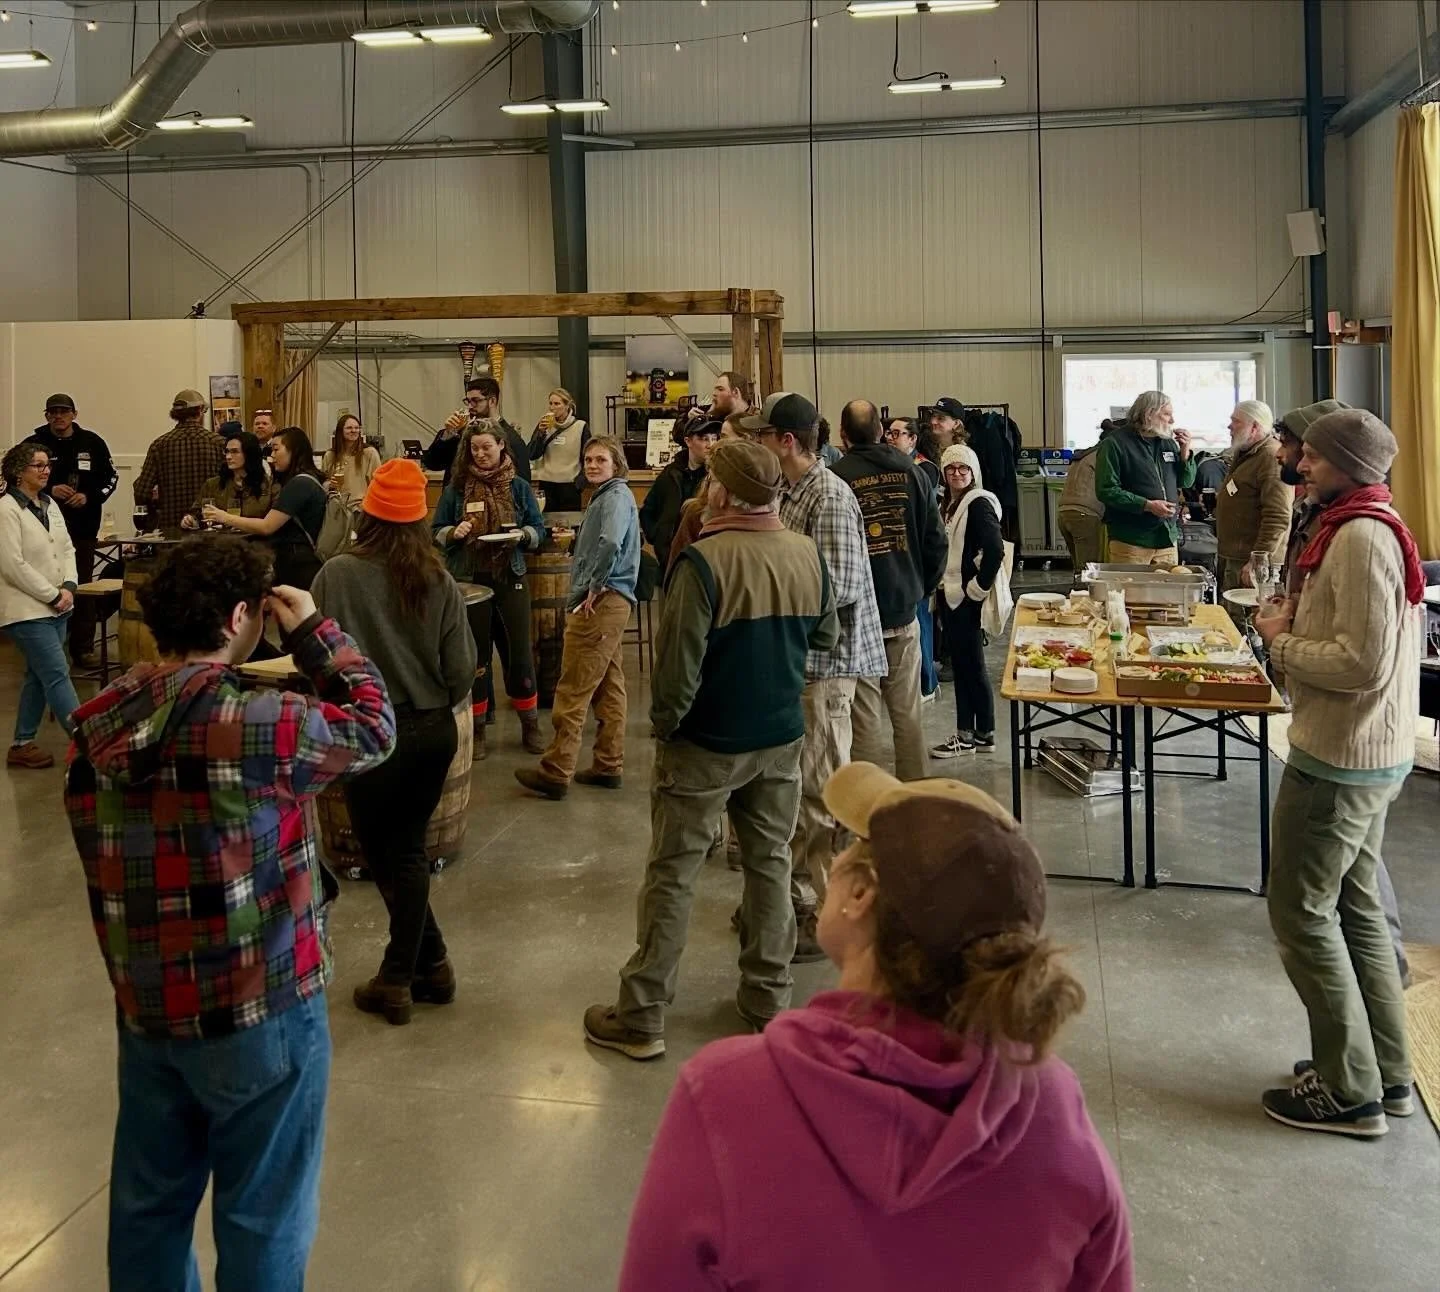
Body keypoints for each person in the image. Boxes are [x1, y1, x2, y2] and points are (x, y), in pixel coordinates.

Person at [618, 762, 1131, 1292]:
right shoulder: (1053, 1111)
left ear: (861, 895)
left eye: (852, 843)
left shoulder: (723, 1096)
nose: (836, 856)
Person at [64, 534, 394, 1292]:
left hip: (148, 1010)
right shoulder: (260, 723)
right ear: (242, 617)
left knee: (148, 1211)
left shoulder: (99, 726)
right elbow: (375, 726)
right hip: (260, 1006)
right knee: (263, 1217)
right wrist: (315, 633)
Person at [583, 440, 839, 1059]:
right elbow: (827, 636)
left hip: (706, 744)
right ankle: (768, 1001)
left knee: (673, 873)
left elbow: (676, 675)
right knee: (770, 865)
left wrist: (667, 729)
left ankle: (642, 1015)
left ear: (722, 492)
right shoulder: (807, 553)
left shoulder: (702, 563)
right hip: (780, 739)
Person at [1253, 409, 1423, 1138]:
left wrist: (1281, 642)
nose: (1303, 465)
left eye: (1315, 457)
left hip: (1341, 756)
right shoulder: (1359, 527)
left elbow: (1360, 663)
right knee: (1355, 911)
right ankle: (1386, 1072)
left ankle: (1348, 1090)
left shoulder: (1358, 537)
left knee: (1300, 913)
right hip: (1367, 751)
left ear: (1349, 464)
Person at [313, 460, 475, 1025]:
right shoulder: (440, 580)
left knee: (393, 855)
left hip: (367, 732)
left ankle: (397, 978)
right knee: (398, 853)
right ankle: (433, 965)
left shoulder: (335, 575)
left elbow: (314, 657)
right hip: (431, 732)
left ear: (370, 515)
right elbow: (462, 671)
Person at [753, 392, 887, 963]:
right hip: (800, 665)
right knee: (796, 789)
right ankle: (792, 900)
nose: (757, 443)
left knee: (821, 793)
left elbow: (843, 587)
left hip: (826, 669)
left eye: (762, 435)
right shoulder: (791, 491)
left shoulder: (828, 496)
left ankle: (823, 913)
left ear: (786, 441)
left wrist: (782, 621)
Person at [515, 437, 641, 800]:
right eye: (588, 459)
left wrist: (595, 586)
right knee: (608, 686)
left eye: (601, 459)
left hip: (600, 602)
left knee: (573, 688)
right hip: (614, 601)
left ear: (616, 464)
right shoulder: (610, 496)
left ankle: (556, 771)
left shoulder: (614, 497)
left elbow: (611, 543)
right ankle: (608, 764)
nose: (592, 465)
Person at [831, 398, 947, 782]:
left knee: (864, 723)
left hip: (857, 619)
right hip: (903, 610)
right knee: (908, 715)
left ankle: (870, 805)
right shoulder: (912, 472)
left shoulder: (835, 479)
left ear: (842, 435)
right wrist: (919, 589)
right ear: (881, 432)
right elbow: (936, 541)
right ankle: (916, 799)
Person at [433, 423, 547, 759]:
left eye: (486, 447)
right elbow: (435, 530)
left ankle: (530, 724)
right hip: (469, 582)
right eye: (474, 449)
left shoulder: (518, 487)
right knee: (475, 658)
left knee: (519, 655)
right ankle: (478, 728)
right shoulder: (456, 489)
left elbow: (538, 529)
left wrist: (523, 535)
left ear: (501, 446)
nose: (480, 454)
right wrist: (453, 532)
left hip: (510, 575)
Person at [0, 440, 79, 770]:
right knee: (57, 674)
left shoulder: (49, 503)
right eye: (38, 465)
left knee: (38, 675)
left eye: (48, 464)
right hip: (26, 610)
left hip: (57, 606)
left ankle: (22, 743)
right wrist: (52, 595)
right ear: (19, 471)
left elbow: (67, 549)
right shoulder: (6, 509)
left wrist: (69, 586)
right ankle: (90, 745)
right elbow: (12, 565)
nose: (46, 470)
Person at [31, 393, 117, 666]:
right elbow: (15, 479)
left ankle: (83, 648)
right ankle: (47, 648)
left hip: (83, 527)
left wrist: (90, 497)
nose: (59, 416)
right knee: (44, 584)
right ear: (46, 416)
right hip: (41, 529)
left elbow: (111, 478)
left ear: (74, 414)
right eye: (53, 412)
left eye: (64, 411)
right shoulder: (33, 444)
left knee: (82, 585)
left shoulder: (92, 442)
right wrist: (48, 489)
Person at [930, 444, 1005, 757]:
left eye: (963, 468)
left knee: (967, 667)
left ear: (973, 472)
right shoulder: (951, 503)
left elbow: (996, 549)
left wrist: (976, 589)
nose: (957, 474)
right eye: (951, 469)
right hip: (953, 596)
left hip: (964, 598)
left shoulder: (977, 503)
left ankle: (967, 736)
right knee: (969, 665)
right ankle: (983, 733)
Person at [203, 426, 327, 590]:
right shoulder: (305, 480)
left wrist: (224, 517)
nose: (272, 455)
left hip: (298, 563)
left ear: (294, 451)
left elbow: (267, 526)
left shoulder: (299, 484)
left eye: (276, 449)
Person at [1094, 389, 1196, 566]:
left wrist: (1185, 452)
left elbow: (1185, 482)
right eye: (1167, 414)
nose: (1172, 421)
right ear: (1149, 414)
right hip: (1131, 540)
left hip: (1167, 538)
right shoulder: (1115, 444)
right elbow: (1106, 490)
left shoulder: (1168, 443)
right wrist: (1147, 505)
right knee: (1130, 585)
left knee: (1167, 584)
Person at [884, 415, 943, 699]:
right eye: (888, 433)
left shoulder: (924, 469)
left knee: (921, 625)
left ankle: (927, 683)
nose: (890, 438)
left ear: (913, 439)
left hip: (917, 558)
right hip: (895, 557)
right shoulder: (889, 467)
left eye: (897, 434)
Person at [1213, 399, 1289, 596]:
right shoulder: (1247, 454)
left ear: (1254, 427)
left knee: (1249, 614)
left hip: (1252, 563)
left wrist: (1257, 562)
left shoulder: (1270, 457)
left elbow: (1278, 516)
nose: (1230, 426)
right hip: (1236, 557)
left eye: (1236, 421)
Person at [133, 389, 225, 532]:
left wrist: (153, 517)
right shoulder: (218, 443)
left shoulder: (159, 445)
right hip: (209, 526)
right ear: (200, 411)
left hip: (170, 528)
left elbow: (141, 491)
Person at [639, 418, 719, 566]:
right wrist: (659, 537)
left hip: (704, 555)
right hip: (669, 558)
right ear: (688, 441)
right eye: (703, 439)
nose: (710, 445)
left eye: (714, 438)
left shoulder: (715, 477)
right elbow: (648, 511)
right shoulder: (671, 474)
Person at [422, 377, 530, 482]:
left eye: (475, 401)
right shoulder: (459, 432)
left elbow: (523, 484)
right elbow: (432, 464)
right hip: (457, 493)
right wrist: (449, 433)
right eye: (468, 401)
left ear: (492, 401)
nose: (470, 406)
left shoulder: (512, 439)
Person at [181, 429, 275, 529]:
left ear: (249, 454)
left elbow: (272, 524)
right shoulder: (213, 484)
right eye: (227, 451)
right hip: (221, 537)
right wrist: (190, 520)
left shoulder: (268, 485)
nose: (228, 457)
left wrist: (227, 518)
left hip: (256, 537)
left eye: (235, 451)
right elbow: (197, 513)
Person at [1058, 422, 1113, 571]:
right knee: (1088, 569)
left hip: (1065, 512)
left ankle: (1077, 585)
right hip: (1085, 515)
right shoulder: (1105, 455)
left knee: (1079, 567)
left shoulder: (1087, 453)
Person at [527, 387, 589, 512]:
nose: (552, 407)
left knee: (569, 521)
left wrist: (580, 483)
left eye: (557, 404)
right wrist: (540, 434)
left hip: (570, 484)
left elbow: (587, 456)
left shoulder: (580, 426)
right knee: (548, 521)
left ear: (567, 406)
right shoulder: (544, 425)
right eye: (550, 403)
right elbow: (532, 454)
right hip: (547, 483)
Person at [322, 413, 382, 502]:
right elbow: (323, 482)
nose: (353, 430)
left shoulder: (369, 453)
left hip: (360, 505)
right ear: (340, 431)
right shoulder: (330, 455)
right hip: (337, 505)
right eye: (349, 428)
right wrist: (329, 484)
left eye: (357, 428)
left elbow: (377, 483)